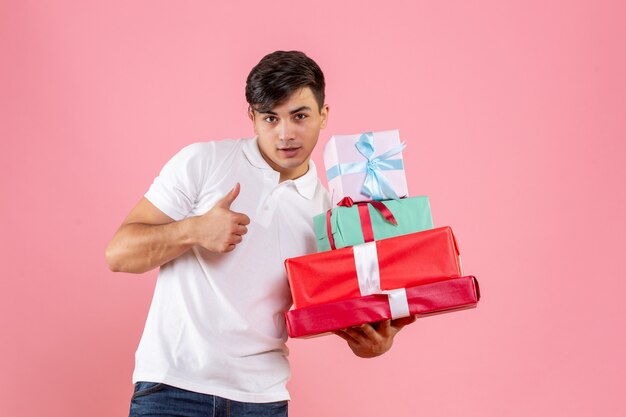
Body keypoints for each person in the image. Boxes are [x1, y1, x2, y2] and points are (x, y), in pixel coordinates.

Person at [105, 50, 415, 417]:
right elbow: (119, 254)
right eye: (271, 118)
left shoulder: (331, 213)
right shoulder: (203, 162)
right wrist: (193, 230)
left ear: (323, 115)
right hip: (172, 388)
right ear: (252, 118)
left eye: (299, 116)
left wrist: (370, 343)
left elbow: (335, 310)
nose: (285, 134)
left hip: (261, 401)